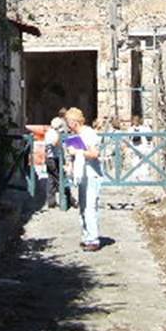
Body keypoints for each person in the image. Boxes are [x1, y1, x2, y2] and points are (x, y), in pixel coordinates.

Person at [64, 107, 103, 251]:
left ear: (74, 122)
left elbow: (94, 153)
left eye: (68, 122)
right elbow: (73, 155)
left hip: (92, 174)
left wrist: (78, 152)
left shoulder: (89, 133)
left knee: (90, 206)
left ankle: (93, 239)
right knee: (82, 206)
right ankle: (86, 236)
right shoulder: (74, 135)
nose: (67, 125)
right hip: (81, 174)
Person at [44, 114, 66, 208]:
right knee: (59, 179)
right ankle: (66, 200)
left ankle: (51, 202)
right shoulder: (52, 133)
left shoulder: (50, 132)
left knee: (51, 180)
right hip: (53, 159)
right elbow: (54, 144)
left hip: (50, 158)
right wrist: (59, 136)